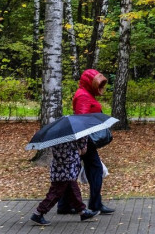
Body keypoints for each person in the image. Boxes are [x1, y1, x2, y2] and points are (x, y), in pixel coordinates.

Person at [57, 69, 115, 215]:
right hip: (84, 140)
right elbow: (81, 121)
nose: (101, 87)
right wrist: (81, 144)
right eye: (98, 83)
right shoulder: (83, 96)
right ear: (90, 82)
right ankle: (95, 204)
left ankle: (64, 204)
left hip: (84, 140)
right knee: (94, 169)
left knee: (73, 170)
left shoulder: (86, 94)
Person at [30, 137, 98, 225]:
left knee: (73, 190)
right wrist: (82, 146)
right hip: (67, 167)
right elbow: (82, 146)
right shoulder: (71, 133)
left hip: (60, 166)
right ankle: (38, 213)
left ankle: (82, 211)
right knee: (55, 193)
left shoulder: (56, 134)